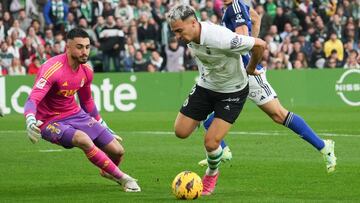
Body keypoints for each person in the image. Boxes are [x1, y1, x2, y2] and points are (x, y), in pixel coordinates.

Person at [197, 0, 337, 174]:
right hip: (233, 74)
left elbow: (242, 36)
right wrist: (253, 44)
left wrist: (250, 49)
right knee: (206, 115)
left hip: (248, 73)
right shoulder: (236, 8)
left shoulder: (234, 8)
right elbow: (256, 18)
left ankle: (324, 146)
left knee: (278, 114)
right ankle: (223, 151)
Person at [23, 28, 141, 192]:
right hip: (49, 120)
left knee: (118, 151)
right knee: (83, 139)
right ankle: (124, 178)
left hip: (75, 115)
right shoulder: (52, 69)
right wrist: (30, 119)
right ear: (68, 47)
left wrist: (101, 122)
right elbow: (32, 99)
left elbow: (87, 101)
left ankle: (107, 171)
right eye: (79, 47)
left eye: (87, 47)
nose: (84, 51)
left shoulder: (86, 70)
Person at [167, 5, 266, 196]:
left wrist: (251, 67)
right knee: (180, 131)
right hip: (206, 87)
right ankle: (204, 117)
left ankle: (211, 174)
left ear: (193, 23)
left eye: (179, 31)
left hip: (232, 91)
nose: (177, 36)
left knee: (211, 143)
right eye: (174, 32)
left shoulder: (220, 37)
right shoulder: (189, 37)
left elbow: (260, 44)